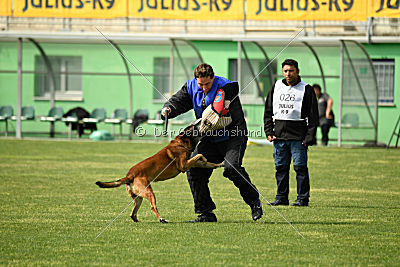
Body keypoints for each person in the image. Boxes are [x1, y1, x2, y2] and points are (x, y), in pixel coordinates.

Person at [161, 63, 263, 222]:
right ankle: (206, 213)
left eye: (207, 84)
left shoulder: (226, 87)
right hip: (210, 138)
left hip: (233, 136)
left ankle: (254, 201)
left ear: (213, 78)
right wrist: (168, 108)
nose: (204, 88)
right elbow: (179, 101)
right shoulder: (191, 86)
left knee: (231, 168)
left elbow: (230, 98)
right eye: (200, 84)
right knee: (194, 169)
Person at [263, 59, 319, 207]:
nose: (288, 74)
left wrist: (309, 137)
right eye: (285, 71)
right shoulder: (276, 87)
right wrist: (268, 131)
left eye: (291, 71)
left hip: (299, 138)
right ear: (282, 72)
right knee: (281, 168)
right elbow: (268, 112)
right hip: (279, 137)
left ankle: (302, 198)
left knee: (300, 168)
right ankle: (281, 197)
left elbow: (313, 116)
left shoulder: (306, 89)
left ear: (297, 71)